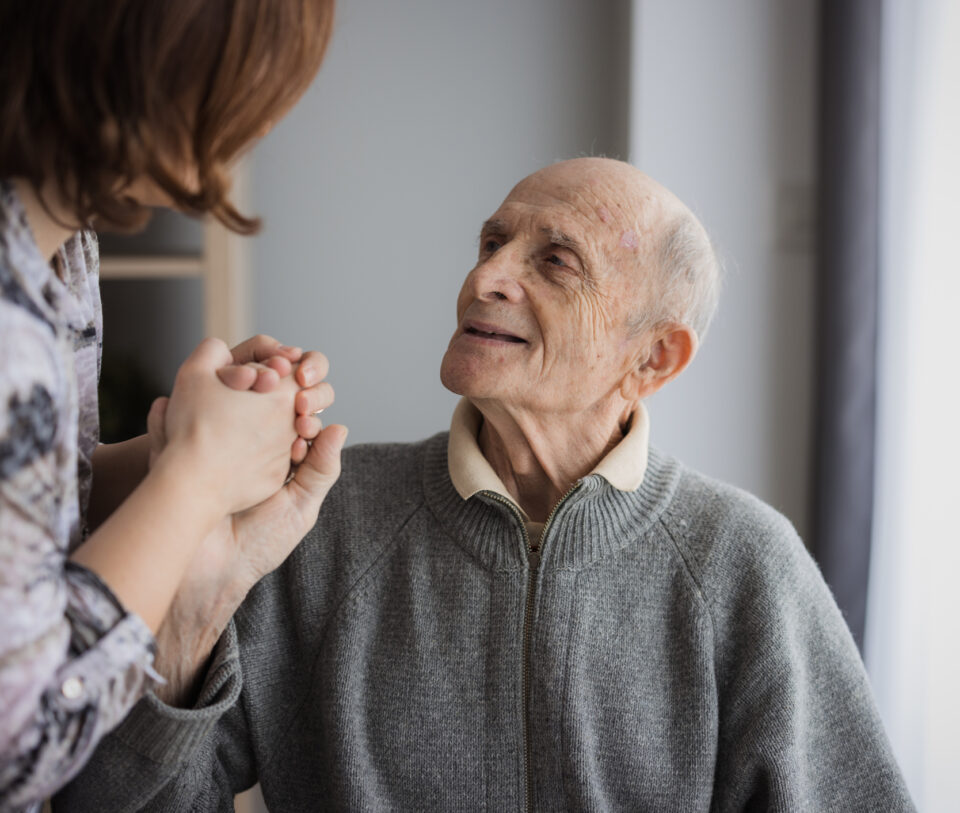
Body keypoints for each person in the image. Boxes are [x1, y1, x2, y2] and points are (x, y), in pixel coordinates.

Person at [57, 158, 913, 811]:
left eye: (556, 261)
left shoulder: (744, 562)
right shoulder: (318, 515)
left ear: (653, 357)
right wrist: (199, 601)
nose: (486, 277)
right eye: (493, 242)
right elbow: (117, 802)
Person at [0, 2, 344, 810]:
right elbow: (19, 734)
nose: (262, 122)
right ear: (152, 65)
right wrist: (193, 477)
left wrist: (175, 459)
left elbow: (26, 518)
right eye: (252, 87)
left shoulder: (62, 250)